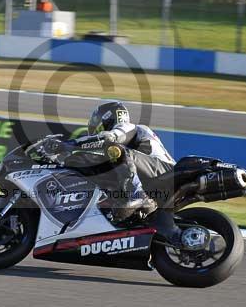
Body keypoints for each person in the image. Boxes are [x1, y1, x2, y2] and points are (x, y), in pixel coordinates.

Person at [27, 101, 187, 247]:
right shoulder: (121, 148)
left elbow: (109, 138)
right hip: (152, 180)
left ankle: (137, 195)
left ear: (105, 119)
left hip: (164, 172)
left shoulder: (133, 128)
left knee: (116, 150)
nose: (94, 129)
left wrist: (67, 144)